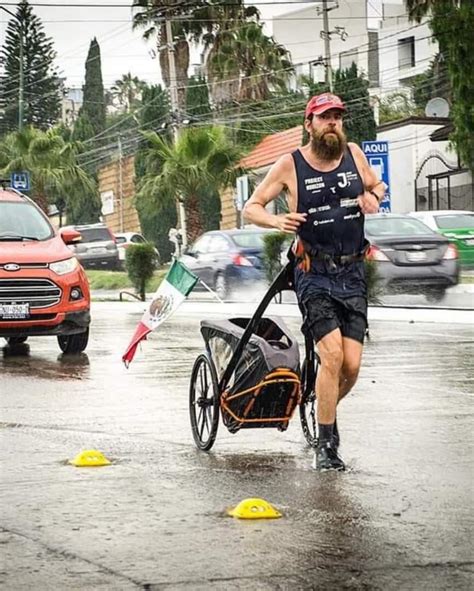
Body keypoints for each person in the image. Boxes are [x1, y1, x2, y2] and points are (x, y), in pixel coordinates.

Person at [243, 92, 384, 472]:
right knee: (333, 356)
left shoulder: (354, 153)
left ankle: (321, 405)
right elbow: (250, 207)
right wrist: (276, 221)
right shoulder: (290, 165)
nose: (333, 123)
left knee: (351, 367)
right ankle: (327, 444)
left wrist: (373, 196)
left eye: (337, 116)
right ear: (310, 125)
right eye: (324, 118)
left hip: (353, 272)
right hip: (314, 274)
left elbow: (377, 186)